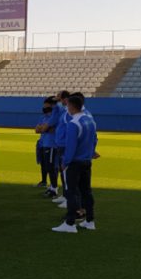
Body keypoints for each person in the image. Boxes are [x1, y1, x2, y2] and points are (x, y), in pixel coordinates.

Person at [52, 94, 98, 233]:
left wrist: (65, 162)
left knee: (71, 192)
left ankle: (70, 222)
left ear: (71, 106)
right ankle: (90, 221)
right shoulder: (90, 120)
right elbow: (94, 140)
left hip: (75, 163)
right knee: (86, 191)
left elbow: (71, 146)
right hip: (86, 161)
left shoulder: (74, 123)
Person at [35, 96, 58, 193]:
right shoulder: (43, 117)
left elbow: (48, 129)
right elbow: (37, 130)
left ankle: (54, 187)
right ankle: (50, 185)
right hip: (43, 143)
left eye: (46, 106)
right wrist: (46, 128)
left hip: (52, 144)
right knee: (46, 165)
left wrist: (44, 128)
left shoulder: (55, 116)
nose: (44, 108)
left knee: (52, 167)